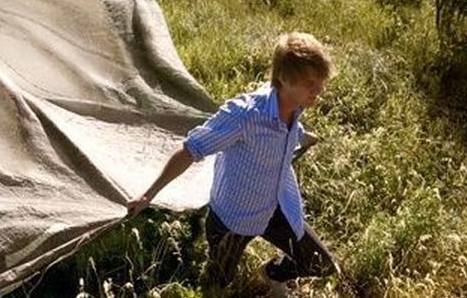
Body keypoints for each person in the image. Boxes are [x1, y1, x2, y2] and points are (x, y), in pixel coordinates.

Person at [125, 32, 338, 297]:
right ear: (283, 78)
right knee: (217, 285)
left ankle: (272, 273)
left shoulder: (295, 106)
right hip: (232, 219)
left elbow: (287, 130)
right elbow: (190, 149)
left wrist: (301, 136)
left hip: (276, 207)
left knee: (322, 264)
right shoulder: (244, 115)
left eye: (320, 82)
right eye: (310, 83)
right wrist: (148, 194)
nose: (318, 91)